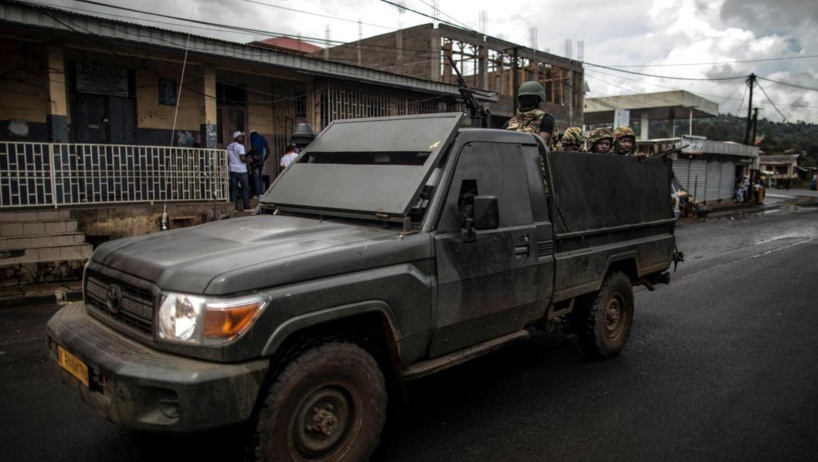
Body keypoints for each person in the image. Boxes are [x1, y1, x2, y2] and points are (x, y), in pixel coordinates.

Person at [503, 80, 556, 147]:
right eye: (524, 98)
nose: (525, 100)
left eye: (528, 98)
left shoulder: (545, 120)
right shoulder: (509, 123)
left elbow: (541, 144)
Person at [227, 131, 252, 212]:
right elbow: (242, 159)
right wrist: (249, 160)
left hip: (232, 170)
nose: (242, 138)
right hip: (241, 170)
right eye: (241, 137)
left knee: (234, 190)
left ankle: (234, 208)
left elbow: (227, 158)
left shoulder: (228, 146)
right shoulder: (240, 146)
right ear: (236, 138)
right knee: (245, 189)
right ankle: (246, 207)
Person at [248, 130, 271, 198]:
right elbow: (269, 150)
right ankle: (261, 193)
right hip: (261, 160)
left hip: (255, 160)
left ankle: (257, 194)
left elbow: (254, 148)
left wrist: (248, 154)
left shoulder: (253, 137)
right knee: (260, 177)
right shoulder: (262, 138)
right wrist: (264, 159)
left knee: (255, 177)